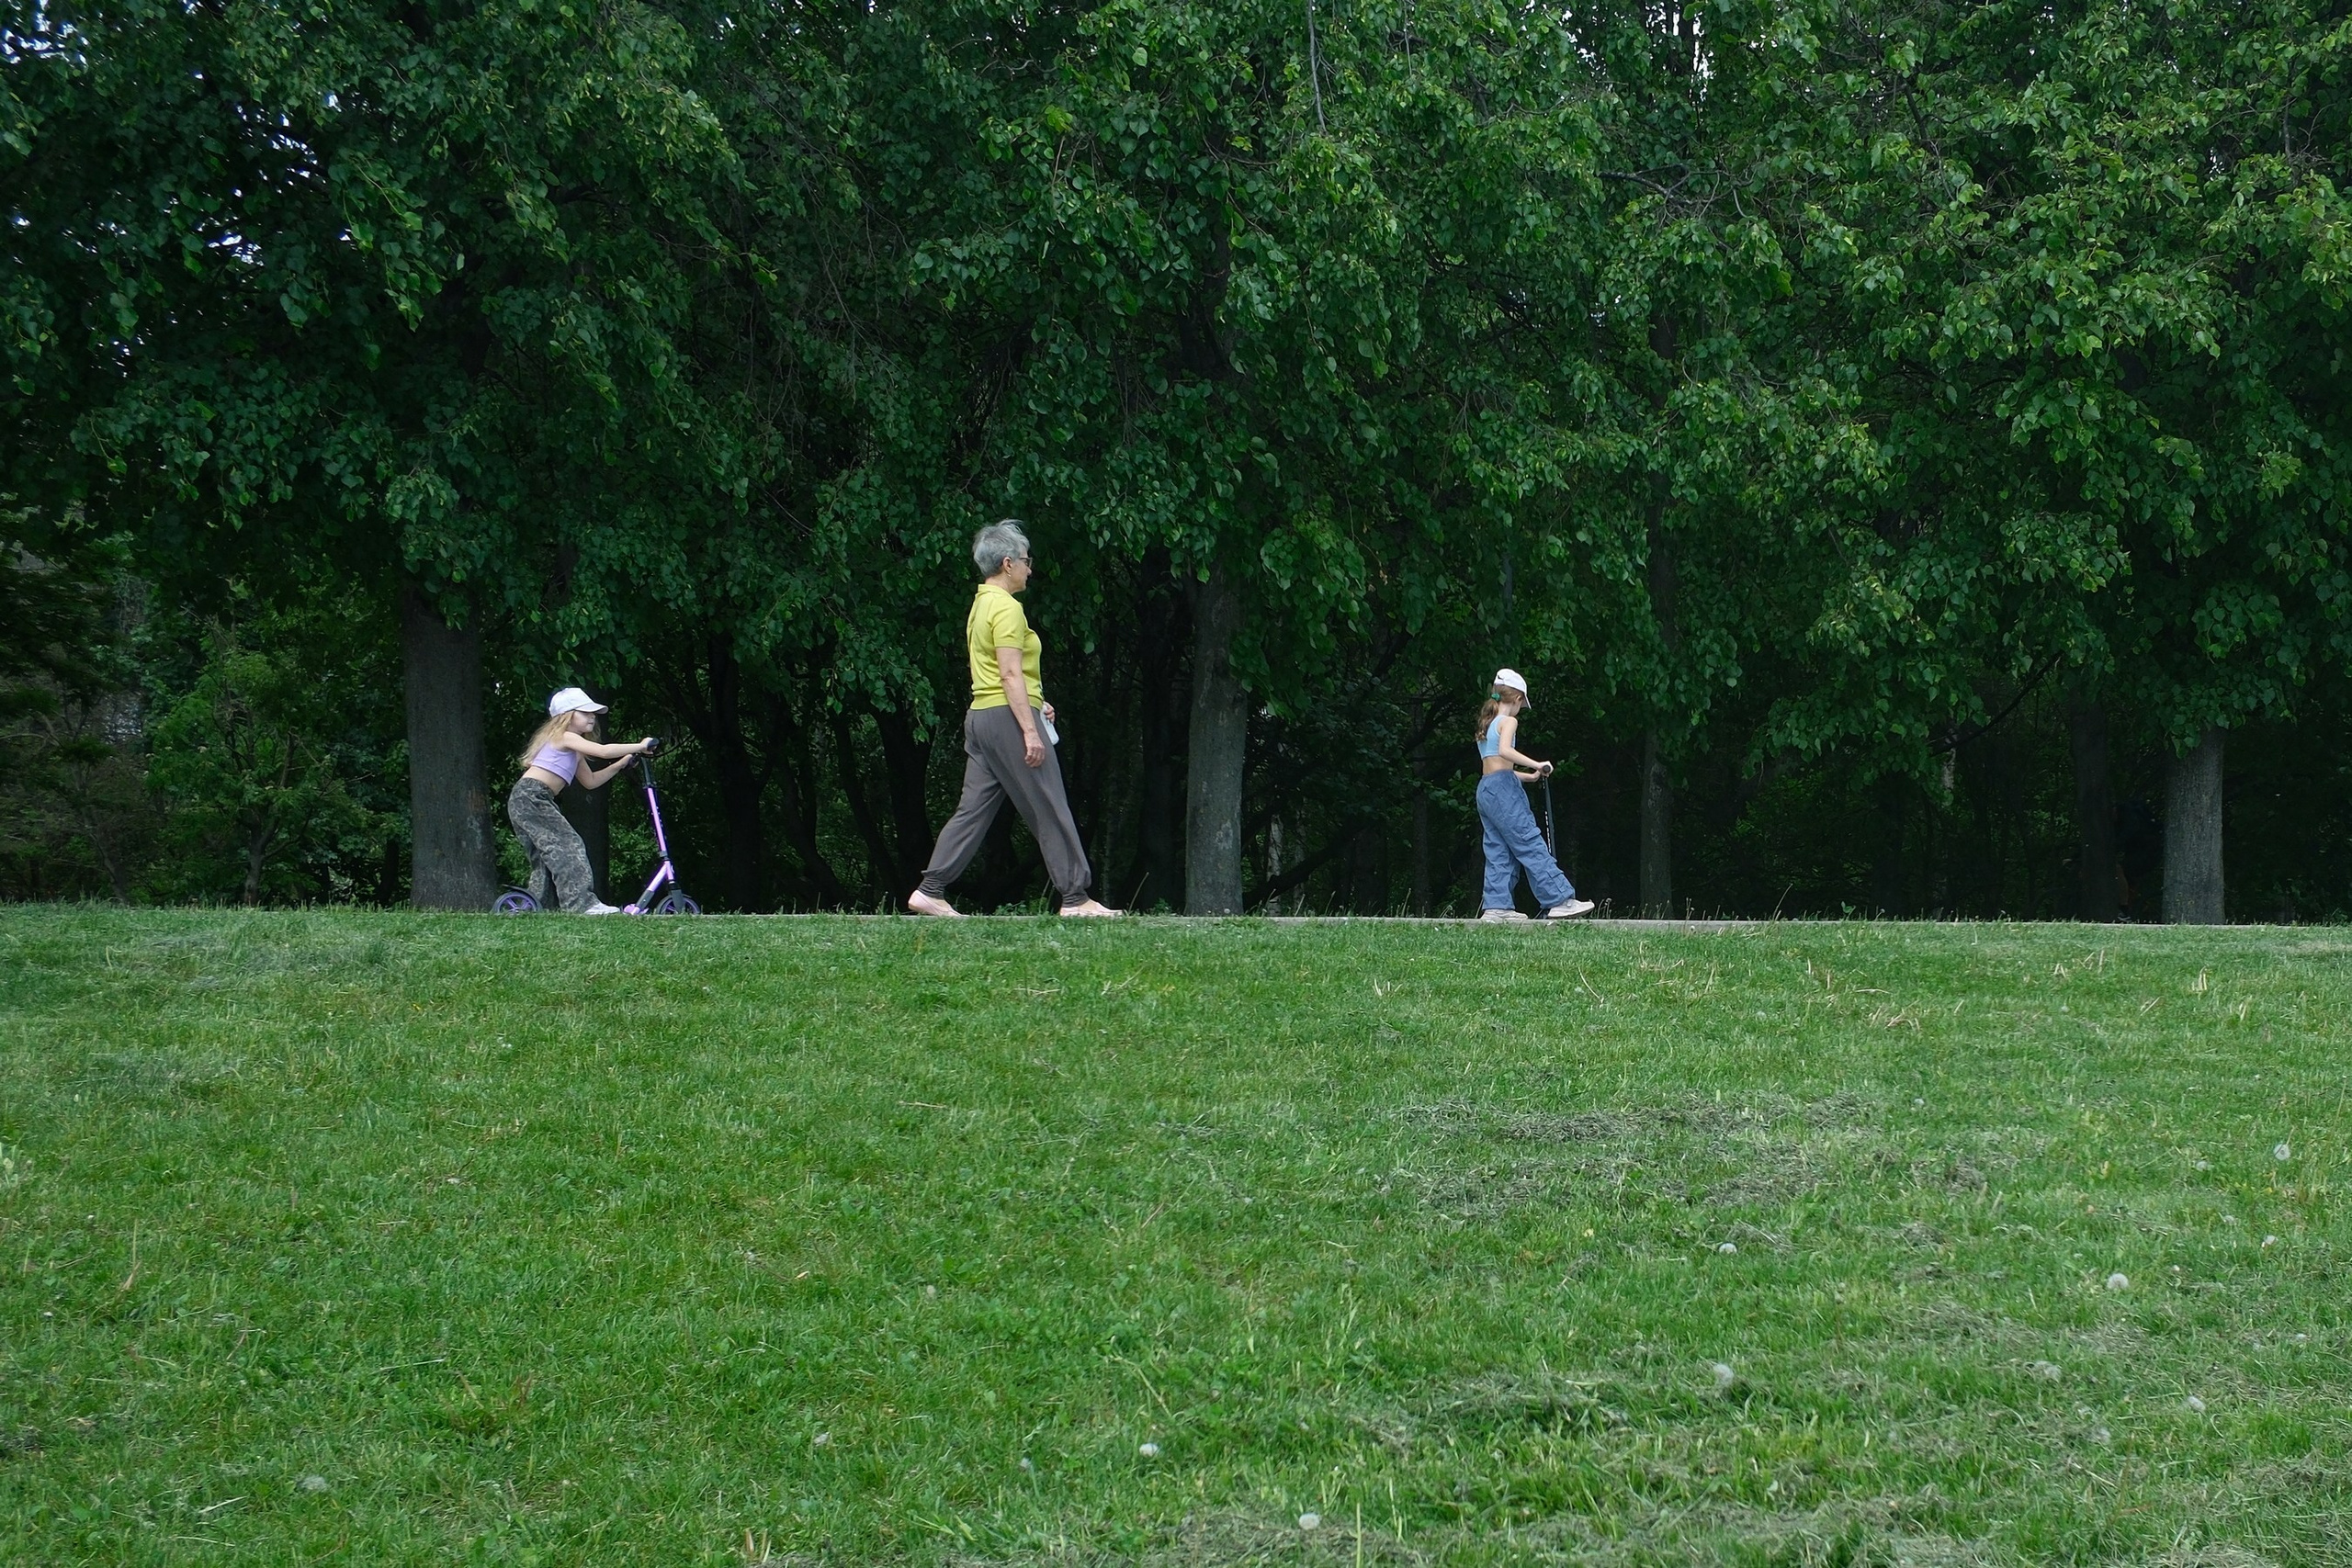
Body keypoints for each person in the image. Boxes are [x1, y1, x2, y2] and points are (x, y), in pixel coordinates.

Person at [907, 521, 1119, 918]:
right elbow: (1008, 674)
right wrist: (1029, 729)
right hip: (1007, 719)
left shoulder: (981, 605)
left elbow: (996, 672)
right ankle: (1076, 898)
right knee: (1049, 803)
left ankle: (930, 890)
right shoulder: (1007, 608)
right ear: (1007, 564)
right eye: (1025, 561)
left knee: (973, 809)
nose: (1029, 569)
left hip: (981, 718)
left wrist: (1036, 702)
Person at [508, 687, 656, 914]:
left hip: (528, 798)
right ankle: (581, 905)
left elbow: (591, 781)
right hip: (532, 796)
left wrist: (621, 764)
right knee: (568, 845)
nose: (592, 716)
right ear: (566, 716)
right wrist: (641, 745)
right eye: (585, 712)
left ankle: (533, 908)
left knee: (546, 855)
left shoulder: (573, 750)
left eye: (593, 712)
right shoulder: (565, 737)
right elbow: (603, 751)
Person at [1475, 669, 1595, 922]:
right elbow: (1505, 751)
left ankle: (1497, 907)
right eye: (1522, 704)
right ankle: (1559, 900)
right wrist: (1537, 764)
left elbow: (1495, 766)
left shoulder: (1486, 723)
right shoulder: (1509, 721)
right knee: (1528, 841)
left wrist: (1529, 777)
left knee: (1498, 848)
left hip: (1486, 790)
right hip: (1504, 791)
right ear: (1518, 698)